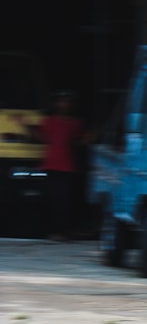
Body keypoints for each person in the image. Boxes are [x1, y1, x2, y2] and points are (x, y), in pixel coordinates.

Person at [38, 90, 86, 241]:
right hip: (52, 165)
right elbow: (42, 137)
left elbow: (80, 141)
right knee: (54, 200)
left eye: (67, 101)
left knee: (65, 201)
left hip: (68, 166)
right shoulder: (50, 120)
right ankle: (54, 231)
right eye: (61, 101)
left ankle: (64, 231)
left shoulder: (74, 123)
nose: (64, 104)